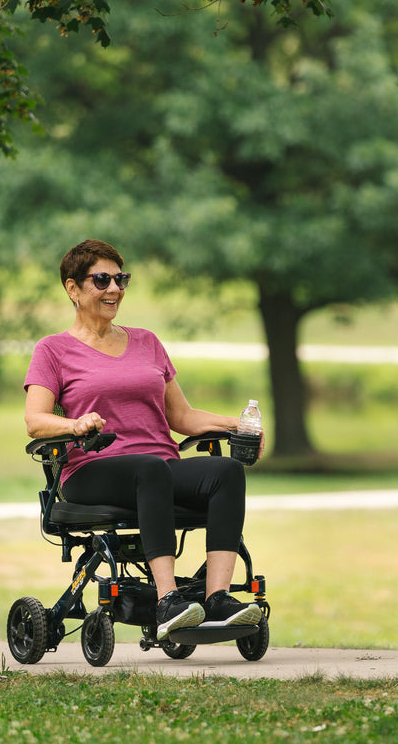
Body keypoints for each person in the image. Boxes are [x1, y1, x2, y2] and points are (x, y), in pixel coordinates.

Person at [23, 239, 263, 641]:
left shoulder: (147, 342)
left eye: (121, 279)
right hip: (90, 469)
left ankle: (217, 597)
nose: (114, 289)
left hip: (157, 469)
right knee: (150, 469)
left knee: (225, 471)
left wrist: (236, 424)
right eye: (102, 280)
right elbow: (35, 421)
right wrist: (75, 425)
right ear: (73, 289)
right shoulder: (53, 350)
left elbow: (181, 417)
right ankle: (169, 601)